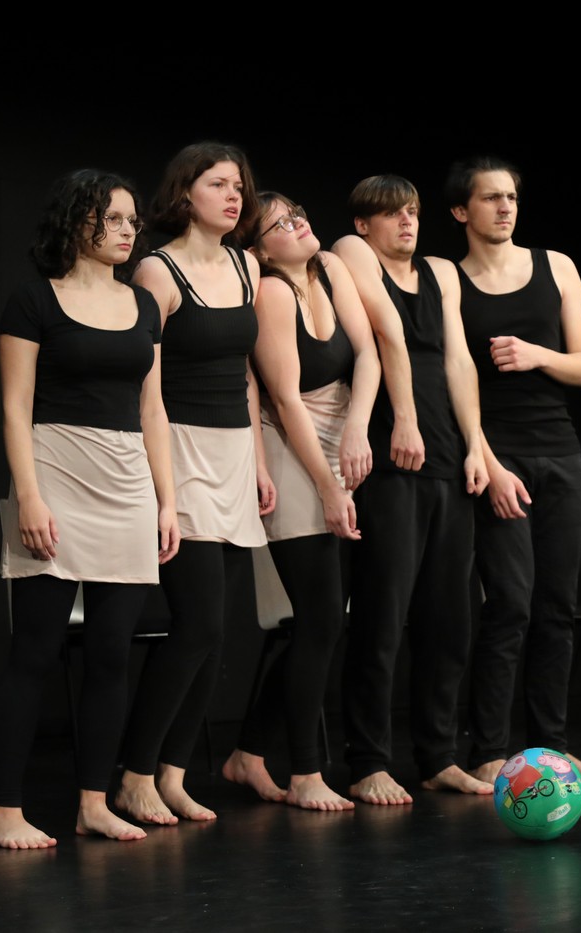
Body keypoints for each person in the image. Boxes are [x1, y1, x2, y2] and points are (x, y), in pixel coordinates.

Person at [0, 169, 180, 848]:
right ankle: (4, 811)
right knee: (35, 651)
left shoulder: (144, 306)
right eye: (114, 218)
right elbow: (15, 407)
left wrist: (167, 500)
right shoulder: (34, 299)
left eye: (133, 219)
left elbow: (152, 409)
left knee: (110, 654)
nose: (129, 230)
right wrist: (29, 495)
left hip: (126, 482)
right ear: (77, 221)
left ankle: (94, 802)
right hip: (56, 474)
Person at [114, 141, 273, 825]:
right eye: (218, 184)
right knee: (197, 623)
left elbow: (246, 374)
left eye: (239, 186)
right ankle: (134, 775)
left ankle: (173, 773)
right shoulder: (157, 269)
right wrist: (164, 491)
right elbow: (144, 388)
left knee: (218, 632)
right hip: (179, 451)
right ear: (185, 193)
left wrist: (259, 461)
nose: (234, 196)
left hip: (234, 452)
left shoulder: (246, 264)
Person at [442, 156, 581, 785]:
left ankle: (550, 747)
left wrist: (538, 354)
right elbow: (453, 381)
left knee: (556, 606)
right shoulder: (452, 282)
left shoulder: (556, 266)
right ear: (461, 211)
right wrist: (488, 462)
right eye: (490, 198)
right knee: (510, 605)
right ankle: (489, 750)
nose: (505, 207)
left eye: (511, 196)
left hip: (560, 451)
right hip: (497, 456)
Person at [330, 174, 492, 804]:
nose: (407, 222)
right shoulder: (351, 251)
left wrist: (475, 443)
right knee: (382, 614)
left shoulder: (442, 272)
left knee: (448, 619)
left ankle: (437, 756)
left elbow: (458, 359)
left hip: (446, 454)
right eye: (393, 213)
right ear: (364, 223)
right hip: (392, 452)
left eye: (414, 212)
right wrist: (404, 419)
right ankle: (368, 760)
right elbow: (385, 335)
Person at [218, 192, 381, 810]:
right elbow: (286, 402)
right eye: (280, 224)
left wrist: (358, 427)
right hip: (291, 447)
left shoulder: (331, 268)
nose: (299, 224)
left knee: (324, 622)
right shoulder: (271, 292)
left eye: (297, 214)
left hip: (341, 438)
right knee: (319, 619)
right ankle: (306, 772)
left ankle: (248, 753)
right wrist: (329, 486)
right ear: (259, 250)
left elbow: (368, 355)